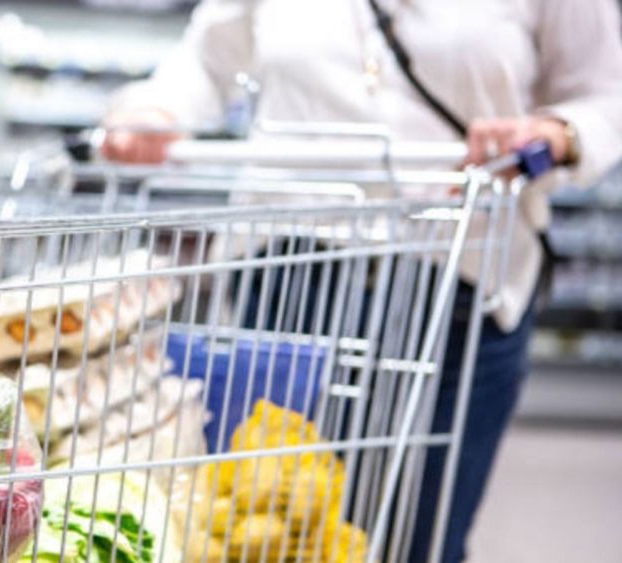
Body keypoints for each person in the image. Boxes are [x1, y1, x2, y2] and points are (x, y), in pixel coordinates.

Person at [100, 1, 622, 562]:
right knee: (265, 533)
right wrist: (153, 112)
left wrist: (555, 133)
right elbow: (206, 58)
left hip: (459, 288)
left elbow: (604, 99)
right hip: (289, 283)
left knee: (419, 542)